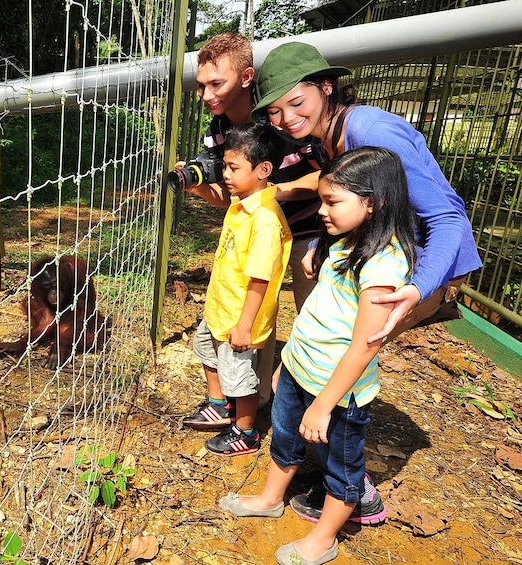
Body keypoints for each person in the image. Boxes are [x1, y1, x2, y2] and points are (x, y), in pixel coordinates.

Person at [218, 147, 418, 565]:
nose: (322, 211)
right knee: (286, 438)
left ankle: (323, 537)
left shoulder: (383, 263)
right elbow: (323, 309)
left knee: (342, 468)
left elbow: (367, 343)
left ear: (373, 201)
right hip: (299, 367)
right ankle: (271, 498)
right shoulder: (346, 239)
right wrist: (287, 365)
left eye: (332, 202)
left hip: (337, 391)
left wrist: (325, 404)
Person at [250, 41, 482, 344]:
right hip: (388, 246)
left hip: (429, 258)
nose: (286, 119)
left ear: (327, 86)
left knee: (345, 351)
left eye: (296, 103)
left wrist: (418, 288)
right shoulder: (326, 135)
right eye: (274, 111)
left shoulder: (371, 132)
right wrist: (318, 244)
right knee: (324, 343)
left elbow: (448, 218)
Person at [180, 33, 319, 423]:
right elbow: (231, 199)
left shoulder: (281, 115)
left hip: (308, 232)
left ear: (246, 77)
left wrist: (278, 193)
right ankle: (256, 404)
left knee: (313, 320)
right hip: (256, 231)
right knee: (259, 321)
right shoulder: (217, 132)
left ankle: (311, 415)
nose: (206, 95)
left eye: (216, 84)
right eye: (202, 85)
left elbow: (331, 175)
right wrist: (197, 186)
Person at [185, 122, 292, 456]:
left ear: (263, 170)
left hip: (240, 317)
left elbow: (260, 278)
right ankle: (218, 404)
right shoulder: (242, 199)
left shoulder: (264, 218)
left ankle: (245, 430)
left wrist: (245, 325)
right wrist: (195, 186)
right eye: (225, 166)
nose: (226, 175)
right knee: (205, 348)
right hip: (222, 306)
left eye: (233, 168)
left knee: (239, 375)